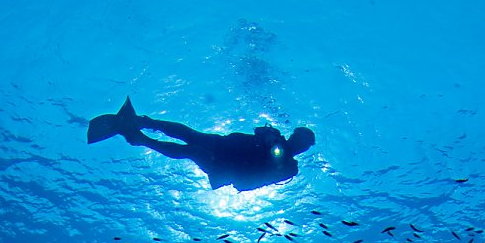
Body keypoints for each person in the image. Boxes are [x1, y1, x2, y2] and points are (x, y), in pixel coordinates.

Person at [87, 97, 315, 192]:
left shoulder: (289, 167)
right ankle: (142, 122)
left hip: (227, 167)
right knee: (190, 134)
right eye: (296, 136)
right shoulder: (276, 137)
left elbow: (266, 175)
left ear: (303, 148)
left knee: (192, 150)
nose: (295, 141)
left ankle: (140, 139)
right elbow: (258, 132)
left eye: (301, 141)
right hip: (225, 146)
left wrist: (274, 146)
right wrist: (269, 135)